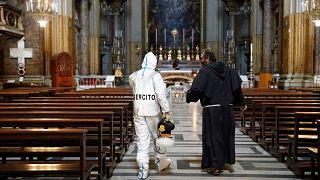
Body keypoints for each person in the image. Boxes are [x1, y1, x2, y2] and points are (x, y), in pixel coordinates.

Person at [186, 49, 246, 176]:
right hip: (227, 109)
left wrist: (189, 96)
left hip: (212, 110)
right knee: (225, 135)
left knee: (213, 137)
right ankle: (224, 160)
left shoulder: (205, 71)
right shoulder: (229, 70)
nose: (200, 61)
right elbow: (236, 89)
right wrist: (241, 103)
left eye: (201, 59)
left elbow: (197, 89)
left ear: (207, 58)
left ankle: (215, 165)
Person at [129, 52, 171, 179]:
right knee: (159, 139)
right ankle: (161, 163)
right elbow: (161, 95)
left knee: (142, 141)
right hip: (153, 113)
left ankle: (143, 170)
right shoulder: (155, 76)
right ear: (154, 63)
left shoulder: (133, 75)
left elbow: (133, 88)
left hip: (138, 112)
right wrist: (166, 110)